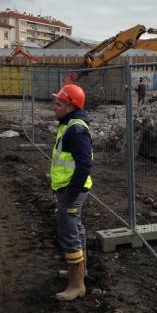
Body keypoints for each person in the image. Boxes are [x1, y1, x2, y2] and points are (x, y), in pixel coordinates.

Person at [51, 83, 92, 301]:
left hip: (72, 190)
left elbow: (84, 164)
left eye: (58, 103)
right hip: (70, 188)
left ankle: (77, 285)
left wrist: (70, 195)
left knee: (69, 233)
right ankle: (80, 271)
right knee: (76, 228)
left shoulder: (75, 129)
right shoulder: (69, 125)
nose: (54, 107)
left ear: (70, 106)